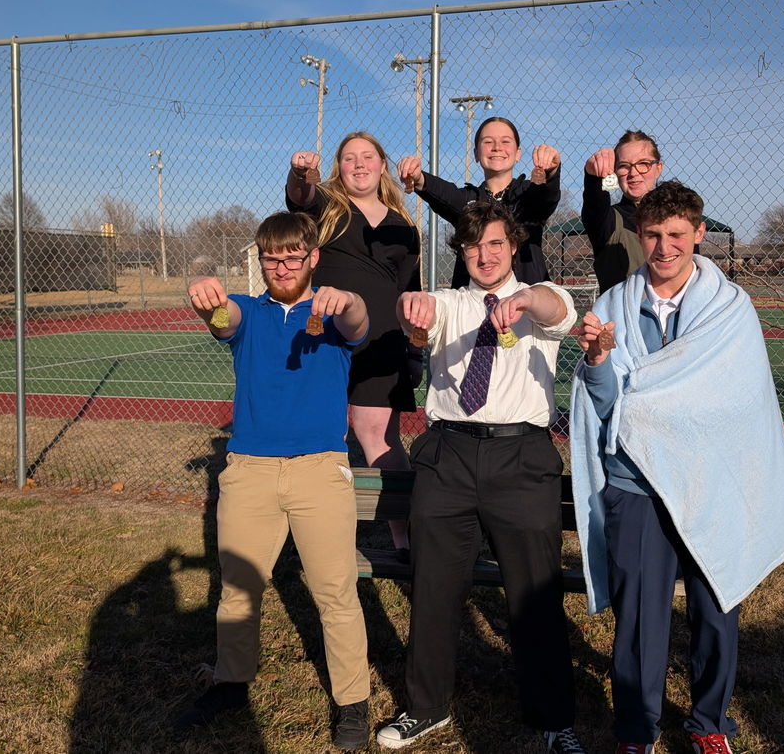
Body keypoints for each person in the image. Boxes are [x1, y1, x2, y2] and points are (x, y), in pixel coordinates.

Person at [571, 181, 784, 754]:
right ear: (639, 234)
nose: (665, 246)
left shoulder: (730, 308)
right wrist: (598, 361)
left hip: (712, 482)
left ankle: (709, 724)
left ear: (699, 234)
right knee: (638, 618)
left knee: (717, 605)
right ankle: (637, 731)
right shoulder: (612, 306)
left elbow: (740, 401)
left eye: (677, 234)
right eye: (653, 234)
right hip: (636, 483)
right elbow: (607, 406)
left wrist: (656, 403)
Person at [376, 202, 586, 754]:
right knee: (434, 588)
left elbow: (556, 309)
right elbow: (418, 312)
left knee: (534, 593)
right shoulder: (450, 302)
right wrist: (411, 306)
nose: (485, 255)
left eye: (495, 244)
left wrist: (525, 300)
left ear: (513, 246)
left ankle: (553, 717)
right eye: (473, 246)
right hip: (448, 454)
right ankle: (426, 707)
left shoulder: (543, 296)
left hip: (521, 458)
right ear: (461, 252)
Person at [175, 211, 372, 750]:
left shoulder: (331, 309)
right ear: (260, 261)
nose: (282, 267)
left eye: (292, 257)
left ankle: (352, 701)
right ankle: (231, 684)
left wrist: (349, 300)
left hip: (319, 469)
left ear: (313, 257)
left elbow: (357, 323)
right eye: (271, 258)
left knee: (335, 593)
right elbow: (225, 319)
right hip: (251, 469)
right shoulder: (251, 312)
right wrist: (206, 295)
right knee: (238, 589)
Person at [286, 132, 420, 557]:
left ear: (382, 165)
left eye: (367, 157)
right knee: (325, 433)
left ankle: (404, 538)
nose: (359, 165)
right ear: (338, 167)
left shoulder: (404, 226)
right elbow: (300, 197)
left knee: (377, 437)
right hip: (325, 338)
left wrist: (413, 350)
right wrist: (299, 174)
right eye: (349, 158)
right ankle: (321, 535)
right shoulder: (327, 207)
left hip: (383, 344)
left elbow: (410, 293)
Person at [396, 116, 561, 287]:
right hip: (473, 299)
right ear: (476, 153)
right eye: (488, 142)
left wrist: (552, 171)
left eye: (505, 141)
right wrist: (418, 178)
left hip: (528, 296)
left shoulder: (529, 195)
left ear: (518, 153)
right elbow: (443, 193)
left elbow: (547, 196)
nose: (497, 147)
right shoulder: (468, 201)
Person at [581, 130, 664, 293]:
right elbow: (595, 206)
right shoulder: (609, 222)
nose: (633, 173)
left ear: (658, 168)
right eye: (624, 166)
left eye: (643, 164)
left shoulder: (679, 217)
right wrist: (593, 176)